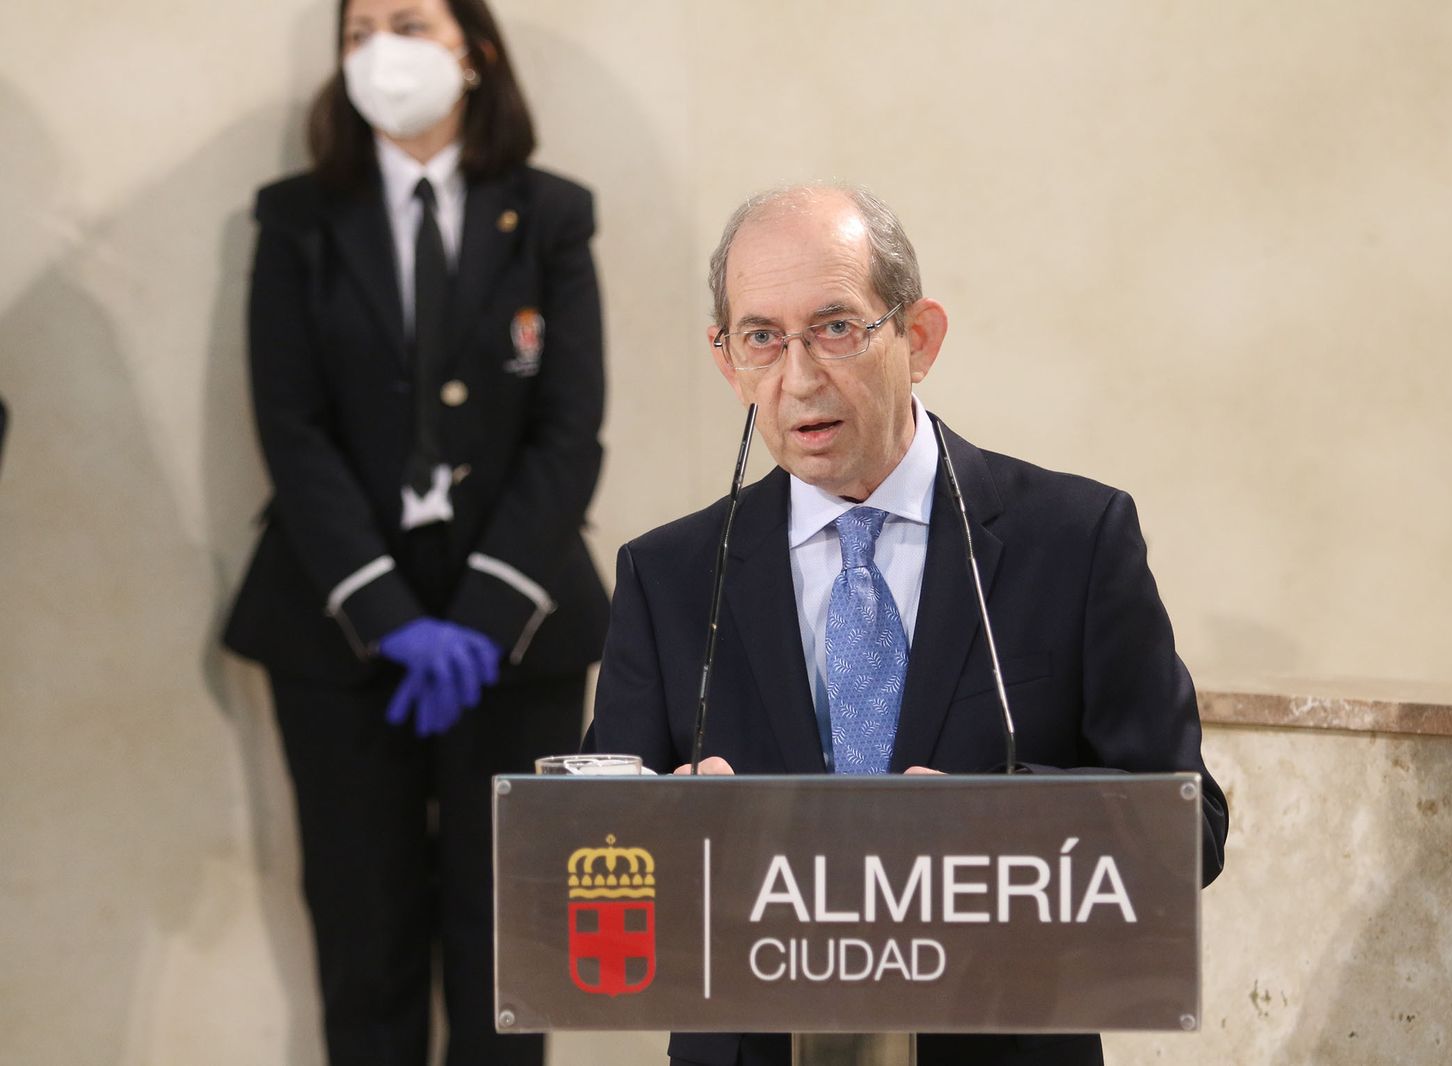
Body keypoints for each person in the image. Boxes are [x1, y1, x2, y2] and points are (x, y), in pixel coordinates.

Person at [586, 184, 1228, 1066]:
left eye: (837, 327)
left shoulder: (1073, 541)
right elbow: (593, 859)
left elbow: (1188, 833)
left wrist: (998, 827)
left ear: (918, 337)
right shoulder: (668, 576)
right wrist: (670, 836)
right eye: (762, 338)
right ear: (727, 359)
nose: (799, 376)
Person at [222, 1, 608, 1063]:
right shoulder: (297, 218)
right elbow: (291, 432)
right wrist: (389, 616)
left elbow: (570, 434)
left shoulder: (552, 214)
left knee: (508, 958)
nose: (381, 49)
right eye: (357, 32)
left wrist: (482, 614)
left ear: (473, 53)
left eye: (410, 22)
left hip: (517, 634)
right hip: (337, 629)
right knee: (365, 943)